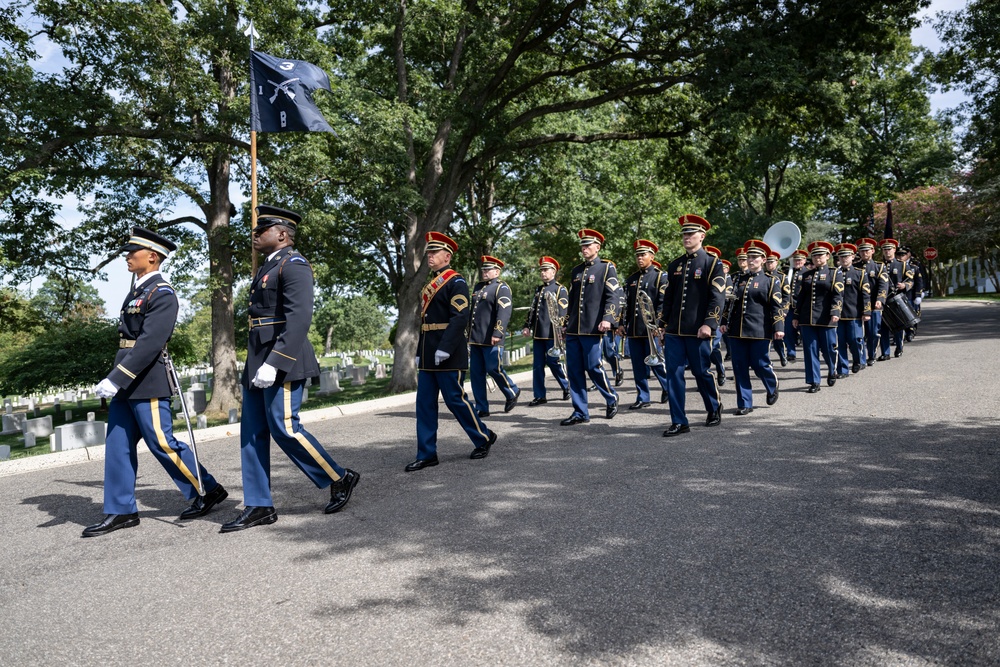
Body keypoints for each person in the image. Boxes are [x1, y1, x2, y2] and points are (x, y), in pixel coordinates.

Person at [222, 206, 359, 532]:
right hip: (258, 356)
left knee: (285, 427)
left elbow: (298, 319)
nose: (255, 234)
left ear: (282, 233)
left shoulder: (294, 265)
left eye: (262, 229)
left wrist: (275, 363)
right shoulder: (267, 267)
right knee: (252, 435)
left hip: (282, 359)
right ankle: (258, 505)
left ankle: (338, 476)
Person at [85, 228, 228, 537]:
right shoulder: (137, 291)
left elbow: (150, 343)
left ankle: (207, 488)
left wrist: (117, 378)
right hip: (126, 379)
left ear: (151, 256)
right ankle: (120, 510)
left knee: (162, 442)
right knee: (118, 445)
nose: (126, 256)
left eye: (131, 251)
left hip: (146, 379)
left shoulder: (161, 293)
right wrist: (116, 377)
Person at [405, 231, 496, 471]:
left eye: (434, 253)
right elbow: (425, 322)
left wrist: (444, 348)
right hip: (428, 352)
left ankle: (483, 437)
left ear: (447, 256)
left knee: (455, 400)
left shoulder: (456, 282)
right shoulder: (430, 284)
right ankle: (427, 453)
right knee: (424, 404)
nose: (430, 257)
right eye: (429, 253)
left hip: (448, 352)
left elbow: (459, 318)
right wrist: (419, 350)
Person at [659, 214, 726, 436]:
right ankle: (679, 420)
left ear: (701, 236)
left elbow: (717, 297)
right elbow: (669, 297)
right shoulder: (675, 264)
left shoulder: (712, 263)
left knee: (701, 372)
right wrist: (662, 323)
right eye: (684, 234)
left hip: (698, 330)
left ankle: (714, 407)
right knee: (674, 375)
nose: (686, 237)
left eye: (690, 233)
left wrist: (709, 324)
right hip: (674, 331)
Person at [560, 228, 625, 425]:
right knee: (574, 370)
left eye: (588, 245)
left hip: (592, 328)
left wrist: (608, 318)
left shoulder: (606, 268)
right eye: (582, 245)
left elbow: (614, 296)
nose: (584, 248)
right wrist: (565, 324)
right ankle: (580, 411)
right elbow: (572, 301)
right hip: (574, 329)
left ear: (597, 247)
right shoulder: (576, 271)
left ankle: (611, 397)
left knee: (593, 367)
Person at [719, 239, 783, 415]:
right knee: (739, 366)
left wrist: (778, 327)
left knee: (760, 364)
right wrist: (724, 322)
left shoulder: (771, 281)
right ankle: (745, 403)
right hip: (737, 330)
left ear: (763, 260)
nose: (751, 260)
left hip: (760, 330)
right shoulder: (737, 278)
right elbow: (728, 303)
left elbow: (776, 306)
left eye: (755, 257)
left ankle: (772, 384)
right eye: (749, 257)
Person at [620, 239, 670, 409]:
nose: (640, 258)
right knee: (638, 366)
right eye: (638, 255)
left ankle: (668, 388)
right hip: (634, 329)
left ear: (652, 256)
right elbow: (625, 304)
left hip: (651, 330)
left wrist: (659, 325)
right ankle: (643, 397)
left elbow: (663, 303)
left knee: (655, 362)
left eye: (643, 255)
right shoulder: (631, 279)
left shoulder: (660, 277)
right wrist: (621, 323)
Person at [468, 255, 520, 417]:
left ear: (497, 271)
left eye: (488, 269)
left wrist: (498, 332)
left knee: (493, 368)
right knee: (476, 374)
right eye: (483, 269)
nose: (485, 272)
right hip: (476, 338)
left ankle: (512, 390)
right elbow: (473, 313)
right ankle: (482, 407)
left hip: (492, 337)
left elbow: (504, 312)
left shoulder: (501, 288)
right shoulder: (478, 287)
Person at [792, 240, 843, 393]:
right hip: (807, 318)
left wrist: (835, 311)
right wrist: (796, 315)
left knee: (829, 349)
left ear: (827, 256)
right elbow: (800, 297)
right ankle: (814, 381)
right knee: (810, 350)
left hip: (826, 318)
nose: (817, 258)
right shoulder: (806, 275)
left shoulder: (834, 273)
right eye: (814, 255)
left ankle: (832, 369)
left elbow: (838, 294)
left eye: (820, 255)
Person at [521, 256, 570, 405]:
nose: (543, 273)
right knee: (537, 366)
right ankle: (540, 395)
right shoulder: (539, 289)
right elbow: (533, 310)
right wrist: (526, 325)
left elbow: (563, 311)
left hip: (551, 334)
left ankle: (567, 386)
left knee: (553, 362)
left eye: (546, 270)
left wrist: (562, 328)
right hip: (538, 333)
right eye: (541, 270)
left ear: (553, 272)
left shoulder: (560, 289)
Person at [833, 243, 871, 377]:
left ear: (853, 257)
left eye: (847, 256)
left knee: (855, 340)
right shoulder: (833, 273)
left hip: (854, 313)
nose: (844, 259)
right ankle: (843, 369)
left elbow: (866, 294)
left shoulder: (859, 273)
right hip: (837, 315)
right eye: (841, 257)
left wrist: (866, 311)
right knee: (840, 342)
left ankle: (857, 360)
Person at [877, 238, 915, 360]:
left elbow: (910, 280)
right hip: (882, 300)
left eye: (889, 249)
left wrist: (905, 286)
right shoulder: (878, 265)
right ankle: (885, 352)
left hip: (896, 299)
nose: (887, 251)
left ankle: (899, 347)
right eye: (885, 249)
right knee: (883, 327)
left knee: (899, 325)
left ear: (894, 250)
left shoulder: (902, 264)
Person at [854, 238, 887, 367]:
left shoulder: (879, 267)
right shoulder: (855, 267)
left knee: (873, 332)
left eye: (866, 250)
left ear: (872, 251)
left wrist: (880, 299)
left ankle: (872, 354)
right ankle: (861, 358)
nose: (864, 253)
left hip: (874, 305)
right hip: (858, 306)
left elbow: (883, 285)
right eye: (861, 251)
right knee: (859, 334)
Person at [703, 245, 728, 386]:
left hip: (715, 314)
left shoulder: (723, 276)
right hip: (699, 316)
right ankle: (705, 379)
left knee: (712, 346)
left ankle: (720, 369)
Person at [780, 249, 808, 363]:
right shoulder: (788, 273)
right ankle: (791, 352)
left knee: (804, 332)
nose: (797, 262)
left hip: (802, 307)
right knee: (788, 330)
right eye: (795, 260)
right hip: (790, 306)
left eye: (800, 260)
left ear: (804, 260)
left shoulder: (807, 273)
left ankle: (807, 352)